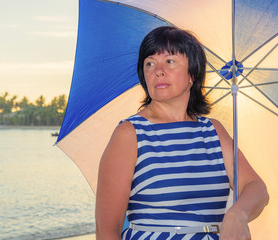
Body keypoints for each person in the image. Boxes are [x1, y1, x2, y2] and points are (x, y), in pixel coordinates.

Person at [95, 26, 269, 240]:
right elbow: (107, 232)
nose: (157, 70)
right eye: (149, 63)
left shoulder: (213, 131)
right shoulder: (130, 133)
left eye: (169, 61)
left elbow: (257, 188)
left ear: (192, 75)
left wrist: (238, 213)